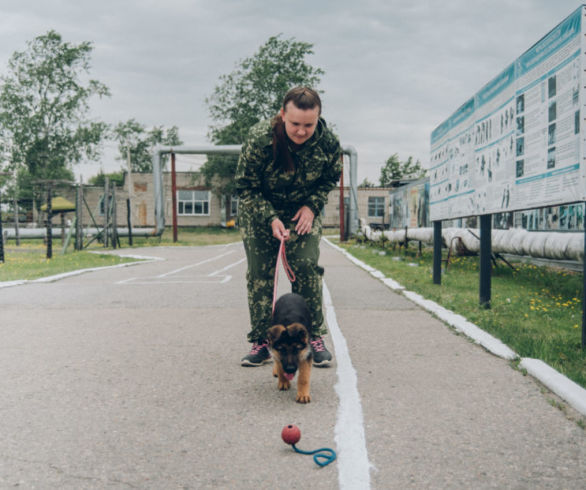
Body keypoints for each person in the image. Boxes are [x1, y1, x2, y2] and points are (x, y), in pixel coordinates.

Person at [235, 86, 342, 367]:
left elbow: (330, 179)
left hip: (301, 210)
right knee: (260, 274)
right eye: (295, 124)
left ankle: (312, 336)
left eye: (309, 124)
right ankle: (261, 341)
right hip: (259, 209)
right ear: (282, 114)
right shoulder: (260, 139)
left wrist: (312, 206)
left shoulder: (328, 143)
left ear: (318, 117)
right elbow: (245, 186)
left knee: (305, 267)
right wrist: (270, 217)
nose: (301, 131)